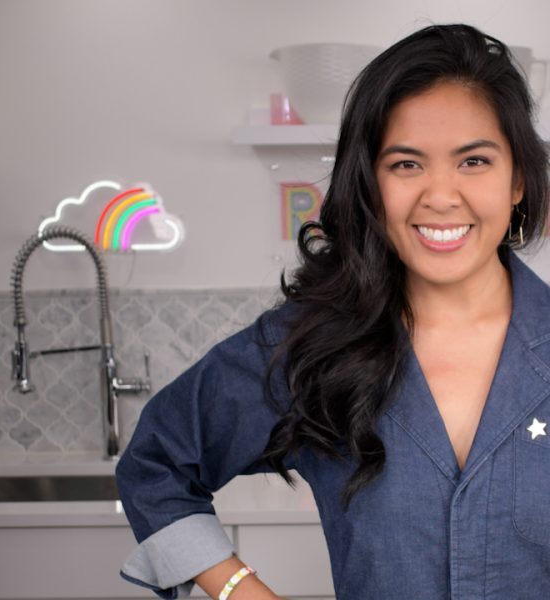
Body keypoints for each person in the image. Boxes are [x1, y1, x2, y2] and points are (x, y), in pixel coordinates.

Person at [116, 23, 550, 600]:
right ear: (370, 182)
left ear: (518, 178)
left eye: (474, 162)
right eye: (406, 164)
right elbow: (156, 463)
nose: (441, 196)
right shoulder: (314, 346)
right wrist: (239, 589)